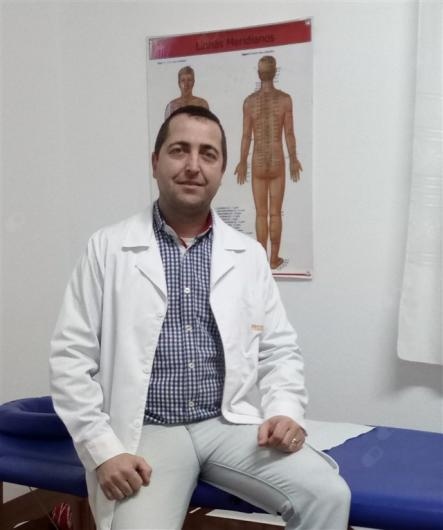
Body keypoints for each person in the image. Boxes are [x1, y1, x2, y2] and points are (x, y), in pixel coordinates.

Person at [49, 105, 350, 530]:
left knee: (327, 494)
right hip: (148, 429)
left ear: (222, 170)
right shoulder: (108, 248)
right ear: (155, 161)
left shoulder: (248, 254)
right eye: (179, 150)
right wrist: (102, 450)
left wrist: (285, 411)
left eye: (208, 154)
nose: (193, 165)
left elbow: (278, 349)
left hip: (225, 424)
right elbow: (70, 359)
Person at [235, 55, 303, 269]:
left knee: (261, 214)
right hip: (276, 160)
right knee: (275, 213)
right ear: (275, 73)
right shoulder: (285, 100)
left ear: (259, 74)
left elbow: (246, 136)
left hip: (257, 160)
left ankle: (262, 261)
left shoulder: (249, 102)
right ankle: (273, 259)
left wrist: (242, 161)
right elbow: (289, 133)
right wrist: (293, 158)